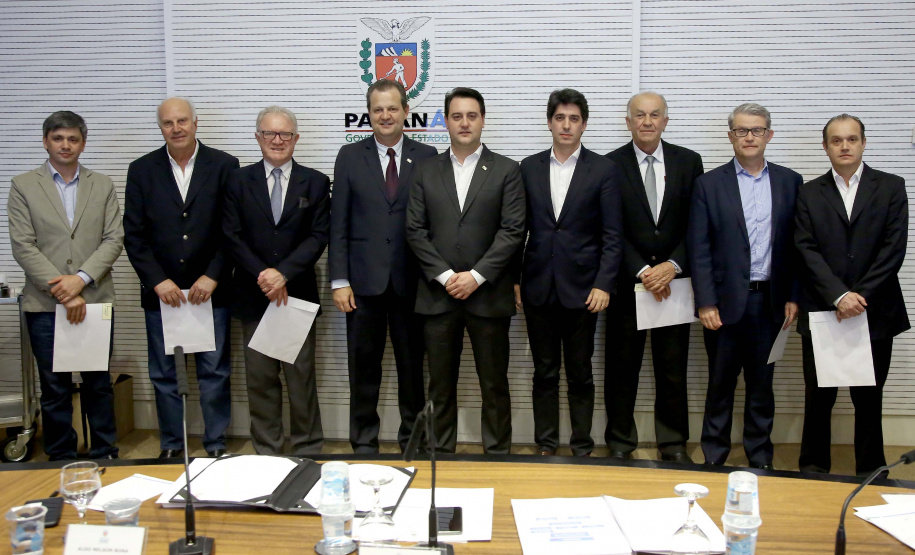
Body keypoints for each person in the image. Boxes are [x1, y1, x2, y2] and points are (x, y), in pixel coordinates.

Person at [406, 87, 525, 454]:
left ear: (483, 120)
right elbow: (414, 229)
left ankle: (498, 454)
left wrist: (475, 276)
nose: (464, 123)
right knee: (440, 385)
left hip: (488, 296)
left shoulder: (507, 169)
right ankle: (442, 454)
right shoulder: (426, 170)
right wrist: (445, 276)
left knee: (494, 384)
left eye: (472, 115)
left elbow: (513, 230)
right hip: (438, 297)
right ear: (445, 121)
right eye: (456, 116)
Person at [687, 103, 802, 470]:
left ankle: (760, 457)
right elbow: (699, 247)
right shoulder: (709, 183)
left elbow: (798, 246)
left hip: (771, 302)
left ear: (769, 134)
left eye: (757, 130)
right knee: (720, 385)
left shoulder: (790, 181)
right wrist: (705, 302)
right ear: (730, 136)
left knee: (761, 385)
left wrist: (793, 296)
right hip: (723, 303)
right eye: (741, 130)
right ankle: (715, 456)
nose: (749, 136)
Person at [124, 98, 239, 460]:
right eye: (168, 123)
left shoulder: (224, 165)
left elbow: (231, 230)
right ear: (160, 127)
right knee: (165, 375)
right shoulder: (141, 169)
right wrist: (157, 280)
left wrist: (213, 276)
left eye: (182, 121)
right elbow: (134, 234)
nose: (176, 128)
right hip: (163, 294)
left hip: (210, 291)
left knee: (214, 372)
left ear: (196, 122)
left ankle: (216, 444)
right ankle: (172, 445)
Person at [795, 114, 909, 476]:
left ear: (863, 143)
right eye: (836, 140)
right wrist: (838, 295)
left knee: (868, 398)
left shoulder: (891, 186)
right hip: (823, 310)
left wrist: (859, 295)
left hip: (875, 310)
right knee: (819, 398)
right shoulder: (808, 192)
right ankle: (813, 468)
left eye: (852, 139)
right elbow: (805, 248)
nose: (844, 146)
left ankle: (872, 470)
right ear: (825, 146)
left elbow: (894, 248)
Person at [7, 111, 124, 460]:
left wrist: (80, 281)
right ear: (46, 142)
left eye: (73, 139)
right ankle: (60, 455)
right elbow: (23, 245)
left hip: (95, 299)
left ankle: (105, 450)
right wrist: (62, 289)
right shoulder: (24, 185)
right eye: (58, 138)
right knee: (55, 387)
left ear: (83, 144)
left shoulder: (101, 185)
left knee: (97, 383)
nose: (66, 145)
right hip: (44, 305)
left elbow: (113, 239)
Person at [329, 80, 437, 454]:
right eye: (378, 109)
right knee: (363, 370)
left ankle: (413, 442)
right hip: (361, 285)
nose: (385, 115)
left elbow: (433, 224)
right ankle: (363, 444)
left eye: (392, 108)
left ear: (406, 111)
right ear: (368, 115)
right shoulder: (348, 157)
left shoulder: (427, 156)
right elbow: (338, 223)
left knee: (412, 370)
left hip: (413, 284)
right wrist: (339, 280)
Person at [514, 88, 622, 457]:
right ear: (549, 122)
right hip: (538, 286)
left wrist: (604, 283)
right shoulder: (528, 167)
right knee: (544, 372)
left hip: (584, 291)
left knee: (580, 373)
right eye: (560, 117)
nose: (566, 125)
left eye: (574, 118)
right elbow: (517, 230)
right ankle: (545, 444)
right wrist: (516, 280)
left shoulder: (604, 169)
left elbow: (613, 234)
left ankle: (581, 445)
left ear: (584, 125)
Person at [223, 106, 330, 455]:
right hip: (254, 296)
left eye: (285, 134)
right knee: (261, 380)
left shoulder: (314, 182)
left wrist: (283, 273)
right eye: (270, 133)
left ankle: (308, 448)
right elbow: (232, 235)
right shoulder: (237, 181)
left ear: (297, 139)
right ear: (257, 137)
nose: (278, 140)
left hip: (295, 296)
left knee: (301, 379)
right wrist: (265, 275)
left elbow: (318, 236)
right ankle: (267, 450)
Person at [604, 92, 704, 463]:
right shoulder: (609, 165)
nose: (647, 122)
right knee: (621, 368)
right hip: (628, 284)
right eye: (639, 115)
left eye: (654, 115)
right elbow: (609, 227)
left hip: (675, 284)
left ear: (665, 120)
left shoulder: (688, 162)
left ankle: (673, 443)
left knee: (673, 368)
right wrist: (644, 270)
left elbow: (698, 223)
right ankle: (619, 441)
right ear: (627, 121)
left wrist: (672, 266)